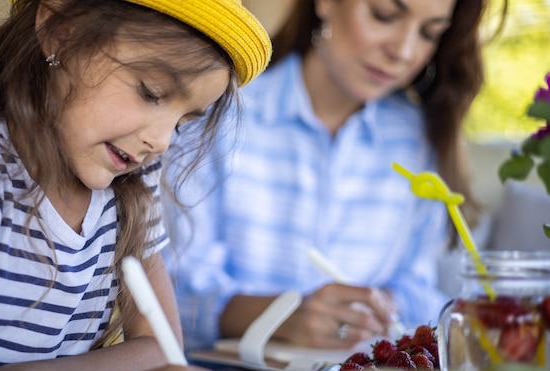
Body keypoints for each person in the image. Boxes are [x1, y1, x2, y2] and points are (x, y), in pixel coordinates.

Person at [0, 0, 271, 371]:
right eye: (151, 92)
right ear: (59, 32)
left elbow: (161, 348)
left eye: (183, 121)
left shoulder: (132, 188)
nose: (162, 141)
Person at [164, 0, 507, 352]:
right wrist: (282, 316)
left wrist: (381, 306)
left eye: (429, 33)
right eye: (384, 15)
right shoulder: (217, 118)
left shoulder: (420, 140)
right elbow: (169, 295)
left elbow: (424, 289)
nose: (403, 52)